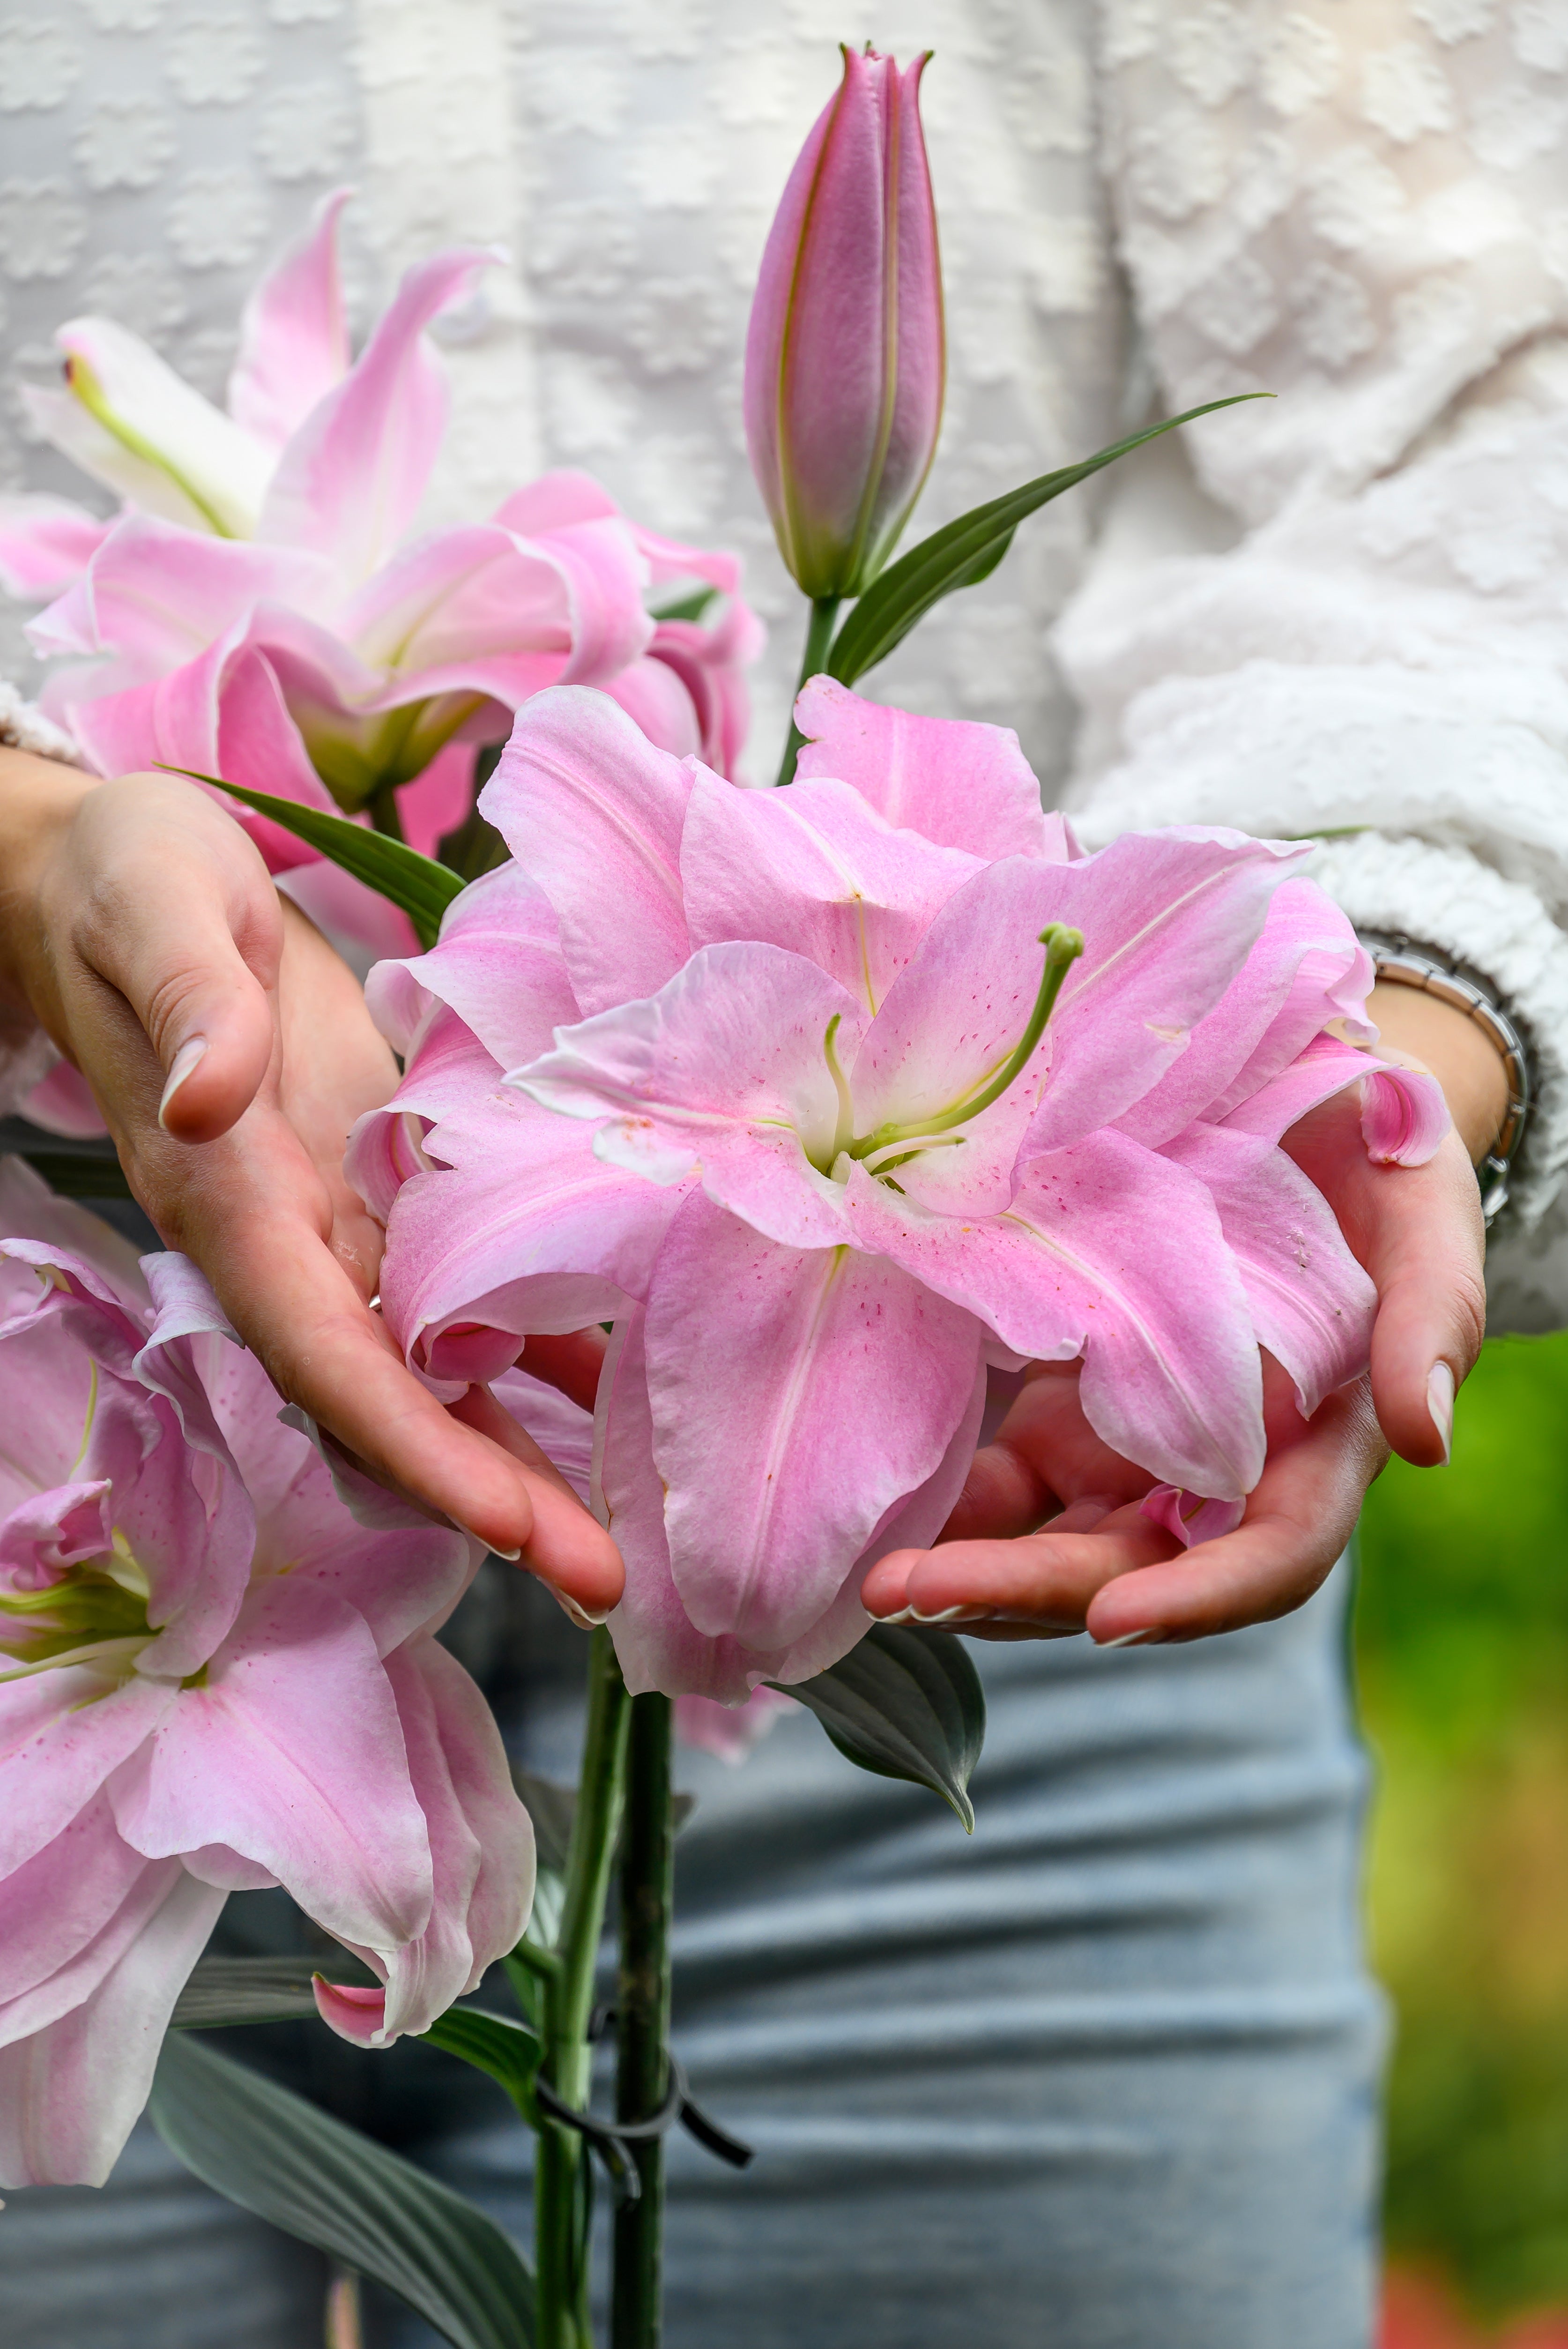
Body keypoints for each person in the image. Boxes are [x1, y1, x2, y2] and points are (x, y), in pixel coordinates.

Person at [0, 3, 1562, 2343]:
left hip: (1015, 1524)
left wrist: (1393, 1011)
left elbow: (1486, 386)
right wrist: (29, 855)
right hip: (73, 1394)